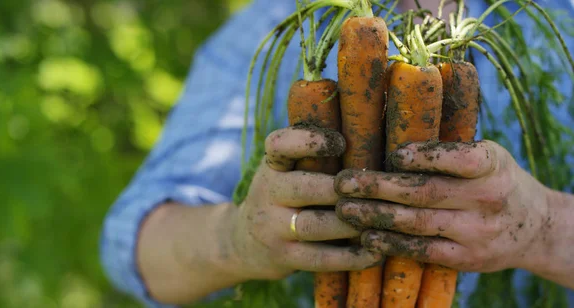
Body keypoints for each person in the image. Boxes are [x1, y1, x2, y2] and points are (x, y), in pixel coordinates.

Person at [99, 0, 574, 307]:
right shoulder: (272, 24)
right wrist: (238, 237)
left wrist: (545, 227)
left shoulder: (559, 20)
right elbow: (133, 248)